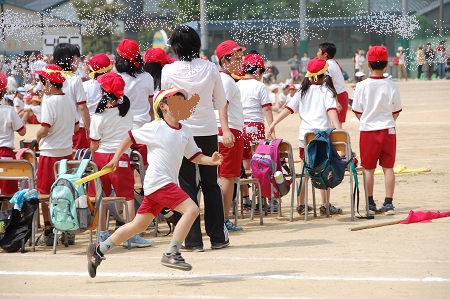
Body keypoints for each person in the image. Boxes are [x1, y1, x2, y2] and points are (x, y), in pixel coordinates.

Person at [87, 88, 223, 278]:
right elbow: (129, 137)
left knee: (138, 226)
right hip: (159, 182)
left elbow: (195, 156)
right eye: (178, 101)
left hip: (162, 185)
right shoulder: (156, 127)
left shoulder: (185, 130)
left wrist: (212, 160)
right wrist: (116, 158)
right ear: (164, 107)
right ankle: (172, 253)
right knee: (191, 210)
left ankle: (98, 250)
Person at [161, 25, 230, 252]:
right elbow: (220, 102)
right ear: (197, 45)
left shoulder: (168, 71)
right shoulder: (211, 68)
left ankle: (193, 240)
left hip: (181, 132)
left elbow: (165, 104)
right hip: (208, 131)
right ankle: (218, 237)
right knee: (211, 184)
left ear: (175, 47)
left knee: (187, 184)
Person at [266, 58, 342, 215]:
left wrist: (273, 124)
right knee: (325, 169)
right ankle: (325, 204)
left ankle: (301, 204)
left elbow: (288, 109)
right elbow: (331, 111)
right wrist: (338, 127)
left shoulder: (302, 91)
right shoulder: (327, 92)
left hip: (305, 139)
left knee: (305, 171)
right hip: (322, 139)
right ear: (324, 76)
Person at [88, 72, 153, 248]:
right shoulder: (127, 112)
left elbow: (94, 143)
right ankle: (131, 235)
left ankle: (102, 234)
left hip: (101, 157)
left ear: (103, 93)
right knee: (128, 197)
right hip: (121, 156)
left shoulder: (98, 116)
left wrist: (93, 159)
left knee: (101, 197)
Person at [351, 46, 402, 215]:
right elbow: (396, 111)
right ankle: (388, 203)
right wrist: (386, 121)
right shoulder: (391, 85)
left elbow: (358, 111)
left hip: (368, 131)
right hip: (388, 130)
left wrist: (369, 121)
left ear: (369, 65)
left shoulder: (361, 86)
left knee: (368, 168)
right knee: (388, 167)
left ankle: (370, 203)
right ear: (386, 64)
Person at [35, 64, 79, 245]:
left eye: (42, 82)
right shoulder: (68, 100)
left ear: (49, 83)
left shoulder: (49, 101)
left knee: (45, 193)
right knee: (66, 192)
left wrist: (37, 137)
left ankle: (48, 229)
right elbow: (76, 127)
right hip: (66, 153)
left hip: (49, 152)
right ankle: (68, 228)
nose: (41, 86)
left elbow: (45, 128)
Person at [214, 40, 246, 231]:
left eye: (240, 58)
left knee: (225, 176)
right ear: (224, 60)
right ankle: (223, 219)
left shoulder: (223, 79)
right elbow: (222, 105)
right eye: (236, 58)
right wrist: (226, 130)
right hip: (229, 130)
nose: (239, 62)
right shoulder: (225, 80)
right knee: (227, 176)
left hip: (226, 129)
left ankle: (222, 217)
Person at [236, 53, 274, 210]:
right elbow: (266, 108)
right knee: (259, 164)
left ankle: (246, 199)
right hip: (255, 126)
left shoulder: (237, 85)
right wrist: (271, 128)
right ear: (258, 71)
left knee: (244, 165)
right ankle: (262, 199)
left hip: (239, 126)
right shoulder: (259, 86)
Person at [116, 39, 155, 166]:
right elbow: (151, 107)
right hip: (143, 132)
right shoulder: (147, 77)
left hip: (121, 132)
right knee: (144, 167)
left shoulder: (116, 79)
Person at [52, 43, 90, 149]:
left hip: (55, 128)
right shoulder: (75, 79)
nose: (78, 61)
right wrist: (89, 129)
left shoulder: (50, 79)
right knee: (76, 162)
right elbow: (82, 107)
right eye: (76, 57)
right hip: (75, 129)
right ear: (69, 59)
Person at [0, 72, 26, 205]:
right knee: (8, 195)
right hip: (5, 155)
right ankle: (6, 223)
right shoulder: (8, 110)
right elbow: (22, 132)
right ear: (3, 91)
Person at [317, 42, 347, 124]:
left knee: (336, 125)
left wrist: (336, 101)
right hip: (339, 95)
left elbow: (330, 84)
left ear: (325, 54)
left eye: (319, 51)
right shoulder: (334, 62)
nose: (317, 53)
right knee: (334, 124)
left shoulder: (328, 65)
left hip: (338, 96)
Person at [83, 54, 114, 129]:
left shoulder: (84, 86)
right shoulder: (113, 85)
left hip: (88, 126)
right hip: (108, 125)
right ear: (109, 70)